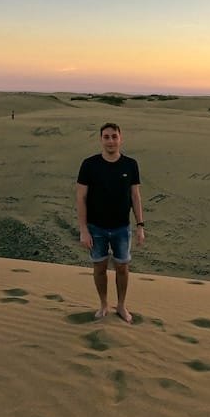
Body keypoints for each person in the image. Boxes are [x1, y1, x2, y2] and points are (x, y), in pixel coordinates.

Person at [76, 122, 145, 322]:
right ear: (101, 139)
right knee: (99, 267)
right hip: (95, 227)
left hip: (122, 228)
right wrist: (83, 230)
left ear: (120, 138)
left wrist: (140, 225)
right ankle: (104, 304)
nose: (111, 141)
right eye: (106, 137)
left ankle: (121, 305)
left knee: (122, 267)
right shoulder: (89, 165)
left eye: (114, 136)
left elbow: (135, 196)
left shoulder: (130, 164)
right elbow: (80, 197)